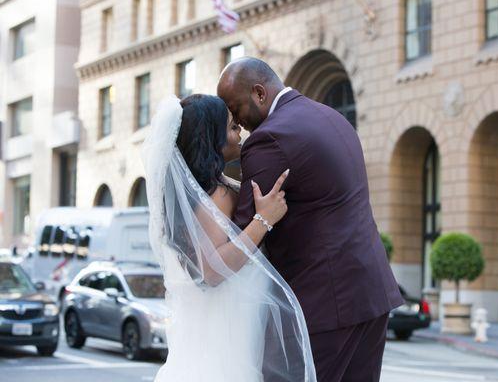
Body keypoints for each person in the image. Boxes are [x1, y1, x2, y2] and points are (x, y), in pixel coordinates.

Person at [217, 57, 403, 382]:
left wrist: (207, 189)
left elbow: (242, 230)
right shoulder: (332, 117)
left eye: (235, 108)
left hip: (323, 303)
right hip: (371, 293)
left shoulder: (269, 138)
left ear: (259, 93)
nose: (236, 121)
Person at [143, 94, 316, 381]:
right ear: (211, 138)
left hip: (211, 330)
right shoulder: (217, 196)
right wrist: (263, 220)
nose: (240, 134)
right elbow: (211, 270)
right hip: (228, 330)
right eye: (233, 128)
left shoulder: (201, 193)